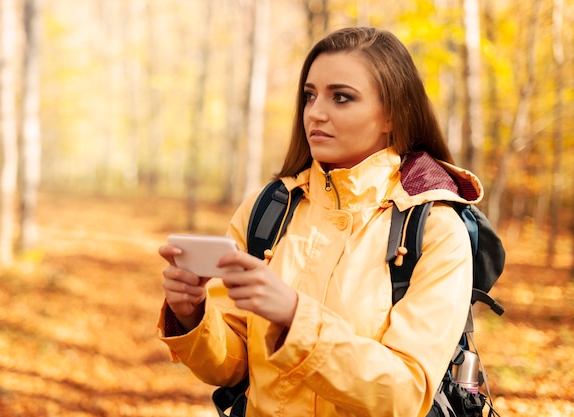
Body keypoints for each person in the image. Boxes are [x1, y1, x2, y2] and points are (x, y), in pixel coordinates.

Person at [157, 26, 482, 417]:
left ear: (392, 115)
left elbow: (406, 392)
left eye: (341, 97)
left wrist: (295, 318)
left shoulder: (436, 230)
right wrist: (192, 313)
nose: (316, 112)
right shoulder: (266, 211)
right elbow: (234, 367)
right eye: (309, 96)